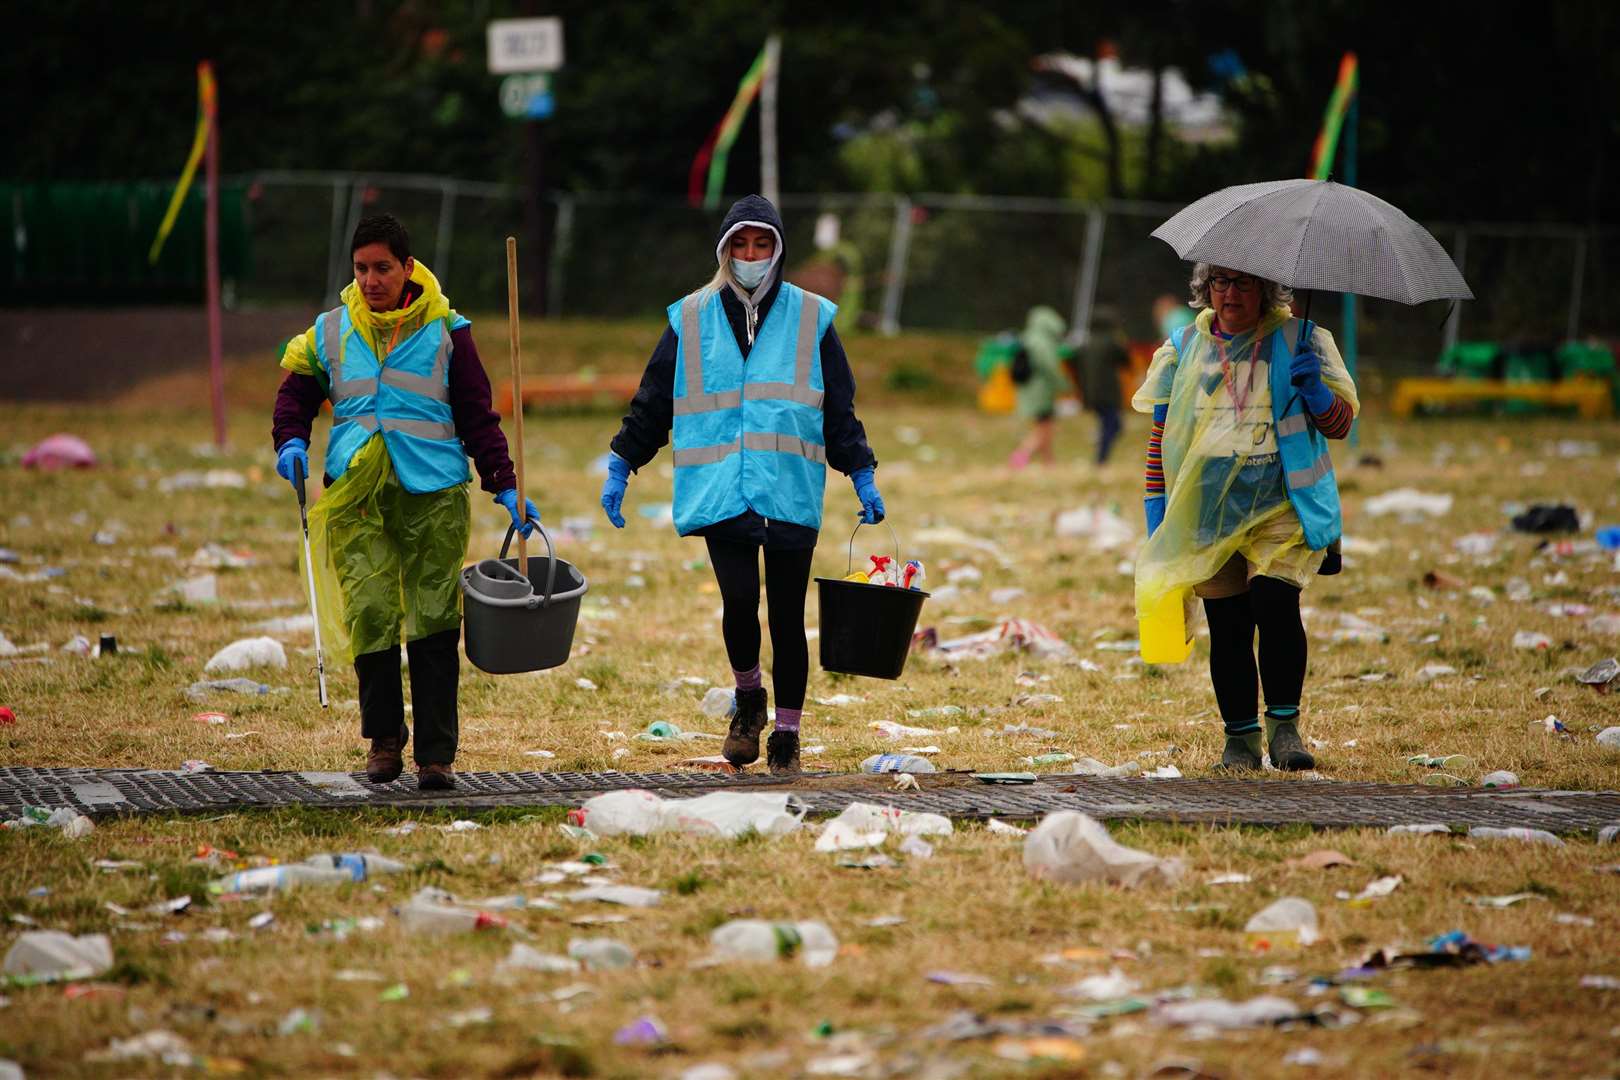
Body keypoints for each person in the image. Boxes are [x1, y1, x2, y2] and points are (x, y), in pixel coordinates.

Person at [601, 195, 882, 775]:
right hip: (721, 488)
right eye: (740, 245)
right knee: (737, 602)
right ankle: (749, 700)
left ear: (777, 250)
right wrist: (622, 463)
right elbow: (654, 401)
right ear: (724, 250)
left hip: (789, 489)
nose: (750, 255)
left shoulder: (813, 318)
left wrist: (861, 472)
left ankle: (787, 732)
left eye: (761, 244)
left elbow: (838, 410)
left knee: (786, 614)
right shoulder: (691, 317)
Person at [271, 214, 537, 790]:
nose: (371, 280)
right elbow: (296, 392)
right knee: (371, 611)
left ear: (408, 268)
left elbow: (476, 413)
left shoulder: (447, 331)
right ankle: (384, 741)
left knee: (434, 615)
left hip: (433, 492)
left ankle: (436, 755)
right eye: (361, 268)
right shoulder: (333, 330)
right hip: (355, 494)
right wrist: (290, 439)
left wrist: (504, 481)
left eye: (382, 268)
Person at [1132, 264, 1357, 772]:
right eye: (1220, 282)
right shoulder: (1182, 348)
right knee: (1228, 625)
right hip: (1207, 510)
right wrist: (1158, 518)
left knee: (1275, 604)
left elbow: (1339, 425)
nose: (1230, 293)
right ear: (1206, 288)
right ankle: (1240, 740)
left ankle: (1285, 730)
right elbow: (1160, 441)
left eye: (1244, 283)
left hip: (1283, 503)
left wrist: (1316, 391)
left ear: (1267, 290)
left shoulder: (1305, 341)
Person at [1007, 305, 1069, 470]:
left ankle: (1049, 463)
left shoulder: (1028, 337)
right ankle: (1019, 458)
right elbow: (1049, 367)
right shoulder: (1041, 342)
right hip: (1040, 391)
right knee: (1044, 428)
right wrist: (1064, 385)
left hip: (1029, 389)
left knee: (1045, 427)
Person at [1071, 307, 1130, 464]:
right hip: (1108, 392)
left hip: (1090, 392)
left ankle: (1101, 454)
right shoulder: (1111, 342)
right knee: (1114, 425)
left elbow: (1076, 366)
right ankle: (1101, 459)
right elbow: (1125, 361)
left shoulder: (1085, 344)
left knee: (1108, 424)